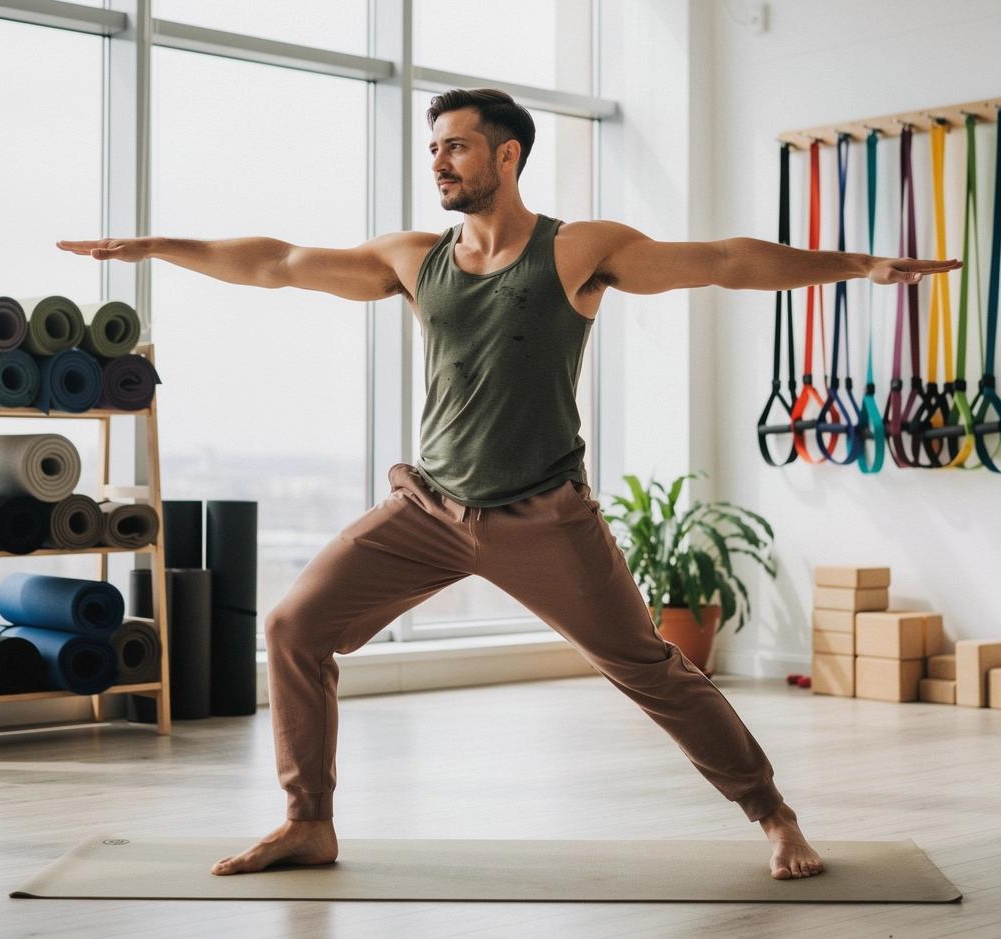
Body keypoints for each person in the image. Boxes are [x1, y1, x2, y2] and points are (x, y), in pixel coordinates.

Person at [58, 88, 959, 881]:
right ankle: (308, 822)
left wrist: (859, 267)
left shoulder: (577, 250)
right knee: (295, 626)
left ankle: (773, 813)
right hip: (428, 508)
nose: (439, 163)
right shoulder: (415, 258)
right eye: (434, 148)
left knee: (650, 669)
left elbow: (723, 261)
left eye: (455, 146)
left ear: (507, 154)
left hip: (543, 515)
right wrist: (159, 246)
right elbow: (279, 262)